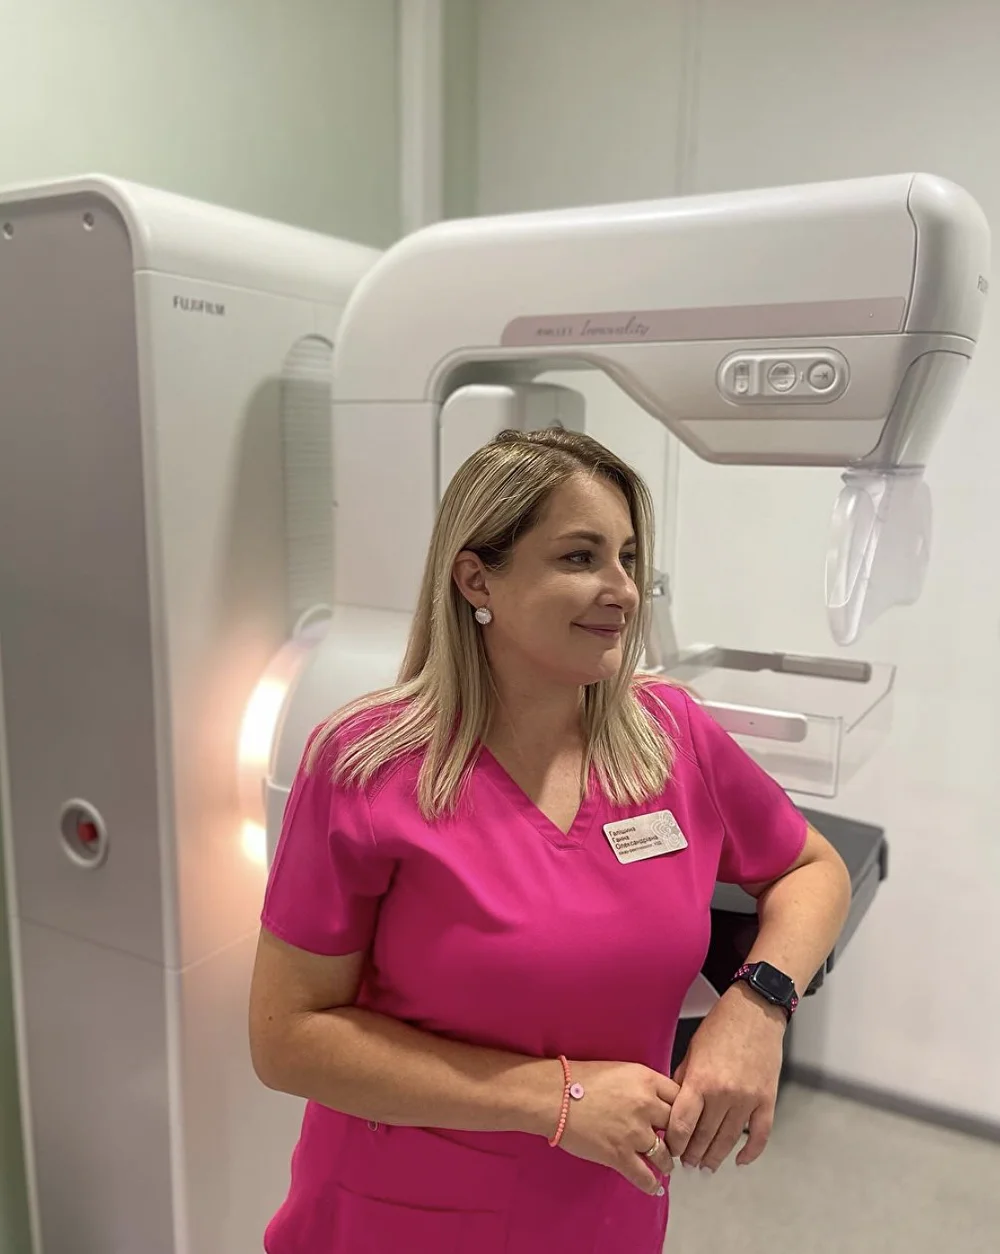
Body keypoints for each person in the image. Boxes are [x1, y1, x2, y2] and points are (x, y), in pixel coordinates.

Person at [249, 427, 852, 1253]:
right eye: (579, 557)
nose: (622, 590)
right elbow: (287, 1038)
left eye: (628, 558)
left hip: (604, 1209)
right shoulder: (367, 767)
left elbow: (811, 868)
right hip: (400, 1213)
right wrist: (554, 1100)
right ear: (476, 579)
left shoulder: (668, 737)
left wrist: (757, 1009)